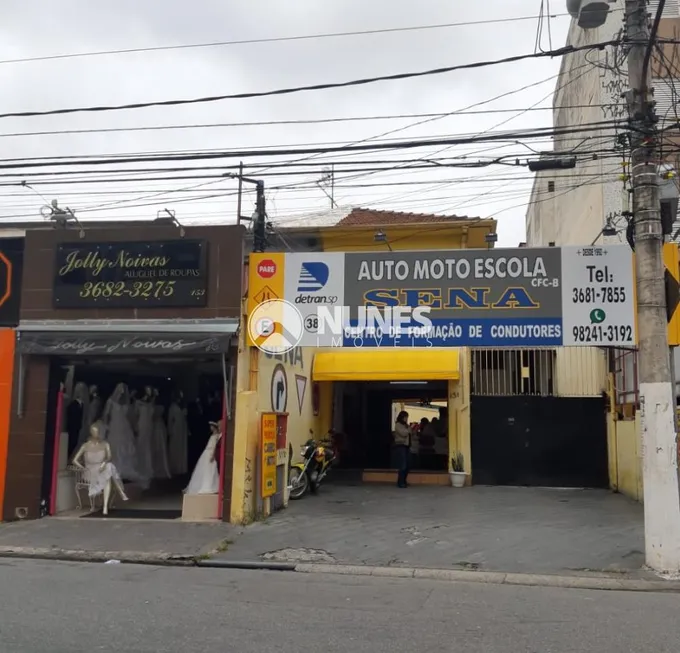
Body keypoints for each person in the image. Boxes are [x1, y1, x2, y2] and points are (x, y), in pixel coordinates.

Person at [393, 411, 413, 488]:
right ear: (402, 417)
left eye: (407, 417)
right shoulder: (398, 425)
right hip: (401, 445)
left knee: (408, 464)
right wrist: (409, 429)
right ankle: (400, 482)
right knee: (403, 465)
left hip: (407, 446)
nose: (406, 419)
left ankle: (404, 480)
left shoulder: (406, 425)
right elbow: (403, 433)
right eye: (405, 417)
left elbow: (411, 433)